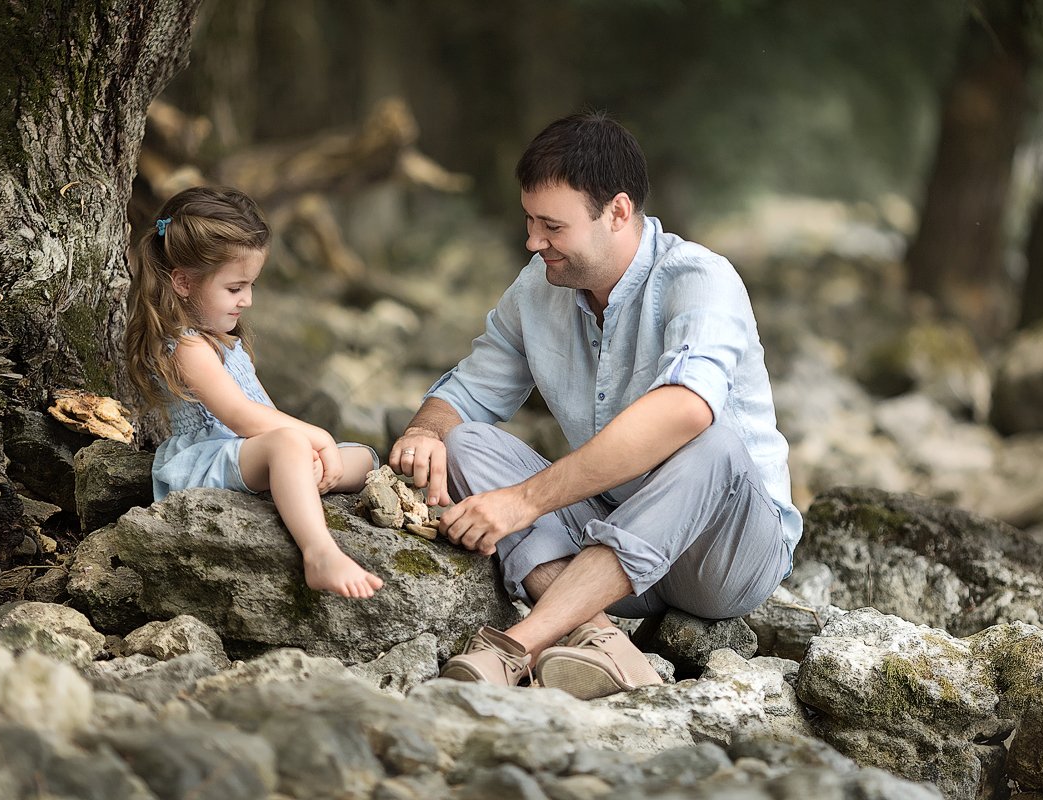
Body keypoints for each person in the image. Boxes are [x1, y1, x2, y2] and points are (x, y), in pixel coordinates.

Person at [389, 112, 802, 698]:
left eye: (551, 227)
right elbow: (465, 394)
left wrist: (523, 502)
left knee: (707, 434)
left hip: (721, 558)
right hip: (608, 538)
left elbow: (686, 410)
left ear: (617, 212)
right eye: (529, 222)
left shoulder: (700, 278)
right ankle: (600, 640)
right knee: (463, 444)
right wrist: (425, 434)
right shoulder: (538, 286)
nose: (534, 242)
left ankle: (519, 645)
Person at [125, 186, 384, 599]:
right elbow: (242, 417)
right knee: (292, 444)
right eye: (235, 288)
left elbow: (266, 410)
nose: (247, 300)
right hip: (208, 460)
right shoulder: (187, 346)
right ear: (183, 282)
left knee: (366, 458)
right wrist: (312, 438)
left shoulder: (226, 340)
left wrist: (312, 450)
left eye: (250, 286)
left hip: (250, 451)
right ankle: (319, 552)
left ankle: (297, 478)